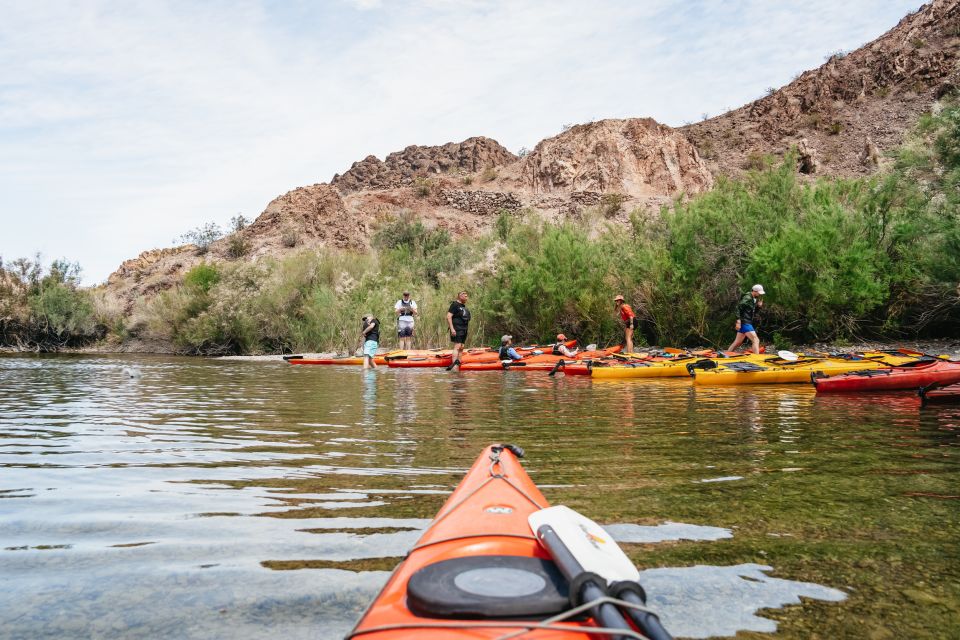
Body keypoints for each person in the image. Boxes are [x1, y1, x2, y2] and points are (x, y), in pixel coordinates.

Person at [728, 284, 765, 354]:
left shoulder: (753, 298)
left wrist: (758, 307)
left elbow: (751, 312)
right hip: (745, 322)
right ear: (755, 291)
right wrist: (738, 321)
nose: (759, 295)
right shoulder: (747, 298)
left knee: (737, 342)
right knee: (756, 340)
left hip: (746, 322)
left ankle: (726, 355)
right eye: (759, 293)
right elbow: (738, 308)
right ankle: (757, 359)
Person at [446, 290, 470, 368]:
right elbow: (449, 316)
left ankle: (459, 364)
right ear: (460, 296)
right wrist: (452, 329)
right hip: (457, 328)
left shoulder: (463, 306)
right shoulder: (454, 305)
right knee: (457, 346)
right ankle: (454, 365)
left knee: (462, 347)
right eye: (465, 296)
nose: (467, 297)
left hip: (464, 329)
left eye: (467, 296)